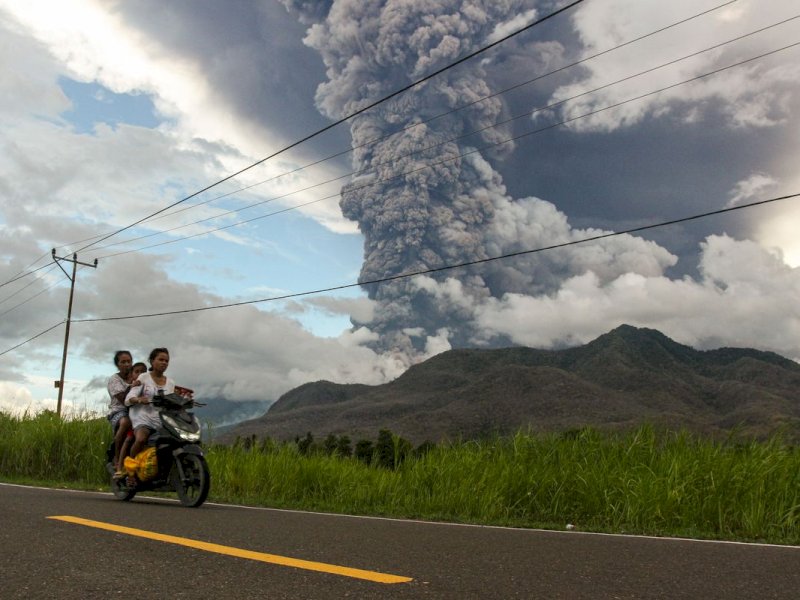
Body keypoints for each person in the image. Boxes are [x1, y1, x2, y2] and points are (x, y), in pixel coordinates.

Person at [125, 347, 175, 460]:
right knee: (141, 439)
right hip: (142, 416)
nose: (164, 363)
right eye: (161, 359)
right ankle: (130, 470)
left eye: (166, 361)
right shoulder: (143, 377)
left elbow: (171, 401)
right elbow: (129, 398)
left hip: (160, 418)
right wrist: (139, 399)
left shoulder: (171, 382)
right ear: (152, 361)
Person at [116, 361, 147, 472]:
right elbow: (127, 398)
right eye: (137, 372)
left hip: (147, 418)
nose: (139, 374)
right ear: (132, 374)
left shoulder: (148, 385)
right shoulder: (131, 387)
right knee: (129, 439)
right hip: (134, 420)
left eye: (143, 372)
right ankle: (120, 466)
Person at [107, 350, 134, 476]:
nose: (127, 364)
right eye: (123, 362)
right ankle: (117, 458)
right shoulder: (114, 379)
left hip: (137, 410)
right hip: (119, 411)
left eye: (129, 361)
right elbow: (123, 399)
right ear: (117, 364)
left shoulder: (136, 376)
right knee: (125, 422)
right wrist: (133, 386)